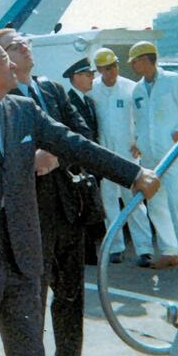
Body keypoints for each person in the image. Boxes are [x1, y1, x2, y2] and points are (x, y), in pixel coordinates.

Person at [0, 38, 160, 356]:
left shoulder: (23, 109)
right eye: (4, 59)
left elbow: (73, 143)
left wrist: (133, 173)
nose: (13, 65)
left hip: (22, 257)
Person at [0, 29, 106, 356]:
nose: (25, 45)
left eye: (26, 41)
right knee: (32, 306)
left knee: (72, 298)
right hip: (30, 218)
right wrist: (33, 159)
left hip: (67, 210)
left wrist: (55, 155)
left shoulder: (53, 91)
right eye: (14, 44)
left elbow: (83, 133)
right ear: (1, 57)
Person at [128, 41, 178, 270]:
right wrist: (137, 141)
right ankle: (170, 251)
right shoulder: (137, 89)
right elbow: (138, 120)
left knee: (177, 202)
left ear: (147, 59)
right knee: (155, 203)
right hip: (149, 155)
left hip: (172, 152)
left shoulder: (173, 81)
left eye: (135, 61)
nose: (133, 65)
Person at [89, 47, 155, 267]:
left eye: (114, 66)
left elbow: (143, 117)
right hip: (105, 154)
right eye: (106, 68)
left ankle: (144, 249)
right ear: (99, 70)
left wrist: (140, 141)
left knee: (134, 201)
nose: (112, 71)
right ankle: (115, 247)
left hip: (128, 154)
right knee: (109, 203)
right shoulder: (93, 90)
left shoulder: (130, 88)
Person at [63, 56, 104, 264]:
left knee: (92, 206)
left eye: (92, 74)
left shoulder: (88, 101)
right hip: (80, 165)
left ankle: (91, 251)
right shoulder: (68, 100)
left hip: (91, 164)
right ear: (75, 77)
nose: (92, 78)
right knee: (83, 208)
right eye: (88, 75)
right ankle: (87, 253)